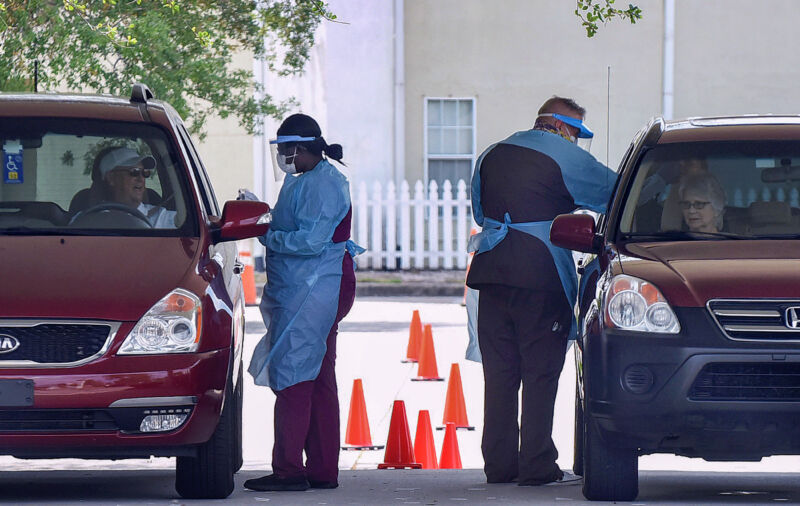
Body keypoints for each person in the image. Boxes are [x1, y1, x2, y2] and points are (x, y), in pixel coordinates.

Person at [466, 96, 616, 486]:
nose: (578, 141)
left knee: (499, 375)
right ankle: (536, 465)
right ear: (563, 126)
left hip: (490, 271)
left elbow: (480, 214)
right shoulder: (564, 156)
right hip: (540, 274)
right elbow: (615, 195)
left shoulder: (491, 152)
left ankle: (499, 466)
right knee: (541, 372)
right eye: (578, 133)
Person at [245, 113, 360, 492]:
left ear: (304, 147)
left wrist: (266, 235)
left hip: (316, 288)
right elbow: (291, 224)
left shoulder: (326, 183)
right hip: (308, 289)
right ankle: (324, 470)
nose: (283, 157)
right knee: (319, 377)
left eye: (286, 149)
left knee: (295, 377)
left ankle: (289, 469)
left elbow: (309, 241)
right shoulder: (303, 180)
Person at [97, 147, 176, 228]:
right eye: (134, 172)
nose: (141, 179)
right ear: (111, 177)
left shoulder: (162, 218)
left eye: (145, 173)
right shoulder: (90, 219)